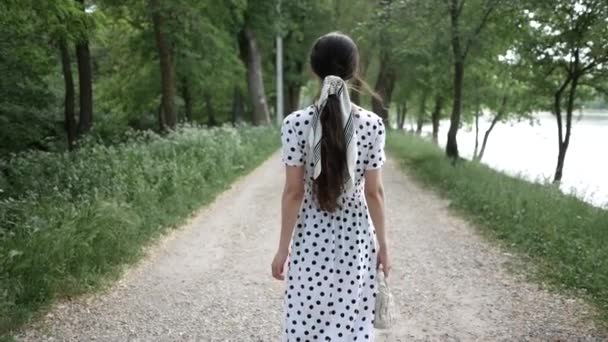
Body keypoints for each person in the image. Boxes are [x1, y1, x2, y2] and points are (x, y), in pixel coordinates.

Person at [271, 31, 389, 341]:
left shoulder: (295, 124)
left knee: (306, 322)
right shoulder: (372, 125)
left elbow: (294, 192)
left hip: (311, 238)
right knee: (350, 324)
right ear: (354, 69)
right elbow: (374, 193)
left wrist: (283, 249)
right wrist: (385, 247)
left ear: (314, 69)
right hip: (357, 240)